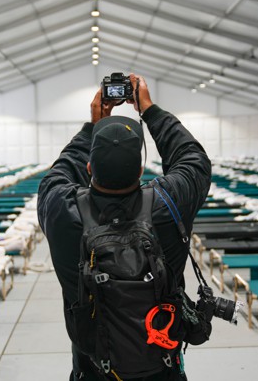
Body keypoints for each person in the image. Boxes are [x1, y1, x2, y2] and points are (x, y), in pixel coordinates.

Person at [38, 74, 211, 380]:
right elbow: (192, 158)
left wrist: (92, 125)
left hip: (93, 370)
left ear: (89, 168)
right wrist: (148, 109)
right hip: (163, 367)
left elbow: (59, 172)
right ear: (142, 170)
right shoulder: (167, 204)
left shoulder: (63, 211)